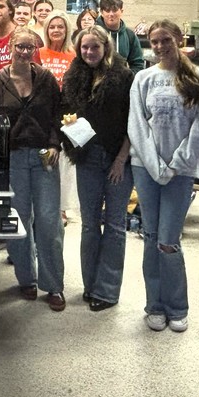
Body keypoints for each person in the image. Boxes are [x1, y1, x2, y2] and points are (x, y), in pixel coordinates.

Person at [129, 20, 199, 333]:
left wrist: (175, 163)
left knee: (168, 241)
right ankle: (154, 306)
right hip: (146, 168)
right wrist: (154, 165)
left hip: (181, 171)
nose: (160, 45)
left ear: (180, 39)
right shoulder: (144, 78)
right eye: (154, 41)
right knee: (151, 237)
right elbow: (137, 126)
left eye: (166, 39)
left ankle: (177, 307)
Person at [0, 28, 65, 311]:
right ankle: (25, 278)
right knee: (17, 220)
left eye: (31, 47)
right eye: (20, 47)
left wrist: (55, 145)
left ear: (36, 49)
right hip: (12, 159)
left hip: (44, 157)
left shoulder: (47, 80)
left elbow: (57, 116)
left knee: (50, 221)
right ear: (11, 47)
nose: (25, 52)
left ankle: (53, 285)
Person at [61, 26, 134, 312]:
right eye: (84, 48)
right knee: (90, 225)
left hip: (118, 159)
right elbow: (63, 112)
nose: (89, 52)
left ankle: (107, 290)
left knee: (115, 226)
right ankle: (91, 285)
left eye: (95, 47)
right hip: (87, 159)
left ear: (106, 47)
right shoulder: (73, 76)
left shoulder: (124, 77)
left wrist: (120, 160)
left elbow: (133, 122)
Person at [38, 10, 79, 225]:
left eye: (60, 27)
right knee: (47, 159)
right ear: (46, 30)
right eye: (52, 27)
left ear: (67, 30)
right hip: (43, 113)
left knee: (65, 162)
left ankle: (62, 208)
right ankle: (47, 204)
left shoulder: (74, 55)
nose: (56, 30)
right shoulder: (39, 53)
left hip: (67, 114)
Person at [95, 0, 145, 71]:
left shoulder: (130, 35)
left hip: (123, 81)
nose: (111, 14)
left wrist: (129, 78)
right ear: (102, 12)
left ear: (121, 11)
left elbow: (138, 64)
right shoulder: (92, 34)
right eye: (107, 10)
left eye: (114, 10)